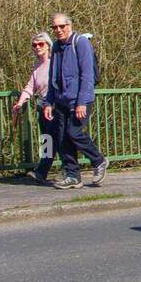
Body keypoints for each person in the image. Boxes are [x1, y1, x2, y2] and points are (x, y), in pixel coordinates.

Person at [42, 13, 108, 188]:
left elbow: (87, 75)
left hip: (79, 100)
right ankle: (72, 175)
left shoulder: (81, 43)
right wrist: (48, 102)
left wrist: (81, 102)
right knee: (63, 138)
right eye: (55, 27)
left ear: (69, 26)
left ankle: (99, 160)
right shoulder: (56, 47)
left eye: (61, 26)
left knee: (74, 133)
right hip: (61, 100)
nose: (58, 30)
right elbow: (52, 78)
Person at [12, 32, 58, 184]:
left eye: (41, 44)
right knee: (47, 140)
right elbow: (30, 87)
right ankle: (42, 172)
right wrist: (20, 103)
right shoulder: (37, 65)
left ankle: (93, 160)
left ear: (48, 45)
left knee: (62, 139)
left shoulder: (55, 62)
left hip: (55, 106)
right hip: (42, 106)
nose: (37, 47)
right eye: (34, 45)